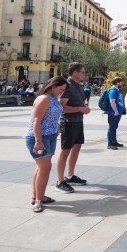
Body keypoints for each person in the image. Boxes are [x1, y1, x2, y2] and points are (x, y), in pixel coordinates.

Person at [26, 76, 67, 213]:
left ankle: (37, 195)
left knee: (41, 167)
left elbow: (51, 116)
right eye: (60, 89)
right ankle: (38, 201)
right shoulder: (44, 99)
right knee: (46, 168)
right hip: (39, 137)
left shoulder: (54, 98)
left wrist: (57, 128)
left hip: (50, 136)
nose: (61, 92)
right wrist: (38, 141)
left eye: (63, 90)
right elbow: (36, 121)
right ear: (53, 86)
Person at [55, 62, 91, 193]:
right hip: (68, 122)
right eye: (82, 72)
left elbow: (79, 103)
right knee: (65, 151)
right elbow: (62, 106)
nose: (84, 74)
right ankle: (60, 181)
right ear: (74, 73)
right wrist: (80, 108)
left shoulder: (78, 86)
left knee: (77, 147)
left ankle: (70, 176)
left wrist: (84, 107)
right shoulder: (67, 86)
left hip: (78, 121)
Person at [106, 77, 125, 150]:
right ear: (117, 83)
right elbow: (112, 101)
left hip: (118, 113)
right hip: (113, 113)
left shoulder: (118, 90)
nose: (122, 83)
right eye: (121, 82)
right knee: (112, 128)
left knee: (114, 127)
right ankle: (110, 144)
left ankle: (114, 142)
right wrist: (116, 111)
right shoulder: (113, 91)